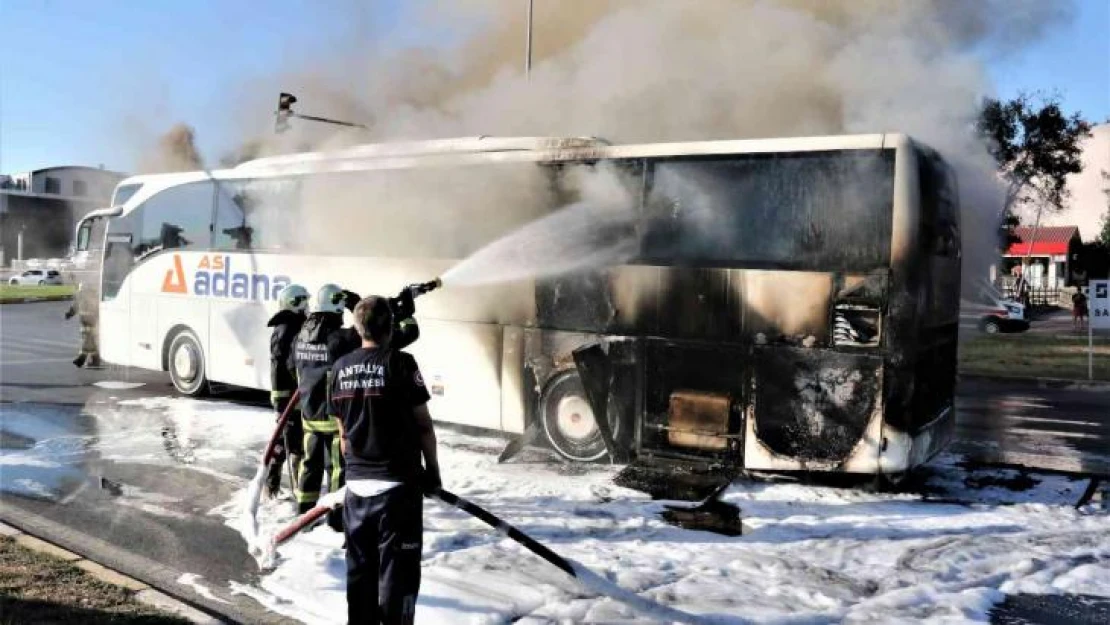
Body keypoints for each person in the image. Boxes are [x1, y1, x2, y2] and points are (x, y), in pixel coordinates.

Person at [329, 295, 440, 625]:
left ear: (357, 327)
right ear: (390, 327)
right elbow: (423, 426)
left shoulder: (339, 369)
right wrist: (432, 473)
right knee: (398, 583)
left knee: (360, 582)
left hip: (356, 493)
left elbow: (344, 438)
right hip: (397, 492)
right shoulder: (401, 364)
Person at [292, 283, 362, 514]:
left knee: (310, 465)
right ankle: (334, 518)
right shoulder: (339, 338)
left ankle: (303, 512)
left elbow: (292, 366)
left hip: (309, 415)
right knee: (336, 470)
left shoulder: (300, 337)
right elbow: (364, 329)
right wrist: (356, 304)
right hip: (334, 419)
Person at [265, 283, 310, 498]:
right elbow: (281, 368)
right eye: (304, 302)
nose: (307, 306)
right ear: (294, 303)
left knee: (286, 442)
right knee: (294, 445)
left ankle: (272, 486)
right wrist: (280, 404)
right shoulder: (287, 329)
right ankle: (294, 491)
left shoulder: (291, 325)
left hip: (291, 397)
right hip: (288, 398)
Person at [64, 283, 101, 368]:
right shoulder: (94, 297)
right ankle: (95, 359)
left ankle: (81, 358)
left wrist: (69, 314)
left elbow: (74, 307)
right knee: (90, 340)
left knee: (86, 339)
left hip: (87, 321)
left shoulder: (82, 297)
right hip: (92, 321)